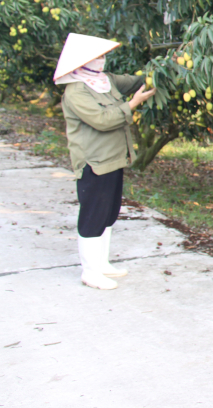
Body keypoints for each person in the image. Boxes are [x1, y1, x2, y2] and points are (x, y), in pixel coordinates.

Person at [53, 33, 156, 290]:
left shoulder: (105, 81)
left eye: (102, 55)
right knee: (93, 214)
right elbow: (102, 120)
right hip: (94, 162)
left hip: (114, 158)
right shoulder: (76, 92)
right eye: (98, 56)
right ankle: (89, 271)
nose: (102, 60)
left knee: (109, 212)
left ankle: (101, 263)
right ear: (83, 61)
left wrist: (164, 66)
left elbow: (136, 81)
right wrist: (132, 104)